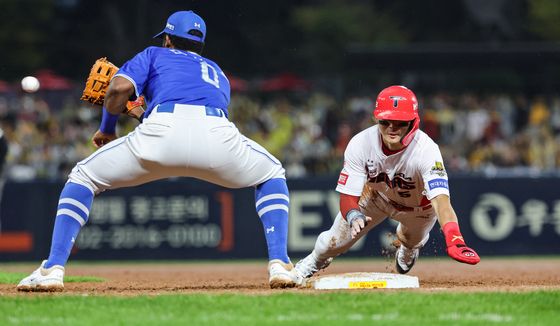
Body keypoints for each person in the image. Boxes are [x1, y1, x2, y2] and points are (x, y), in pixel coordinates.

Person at [17, 10, 299, 291]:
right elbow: (190, 109)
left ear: (167, 38)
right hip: (216, 136)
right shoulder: (216, 71)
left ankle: (52, 269)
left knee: (82, 177)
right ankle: (279, 264)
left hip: (160, 135)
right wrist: (141, 112)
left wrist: (108, 126)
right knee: (272, 172)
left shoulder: (154, 54)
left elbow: (118, 89)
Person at [294, 85, 480, 282]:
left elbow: (441, 201)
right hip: (377, 197)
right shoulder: (361, 143)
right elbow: (348, 195)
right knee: (331, 243)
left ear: (412, 122)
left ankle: (408, 248)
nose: (392, 127)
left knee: (410, 240)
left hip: (419, 209)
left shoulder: (427, 150)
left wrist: (454, 238)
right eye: (385, 121)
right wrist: (353, 213)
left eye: (400, 122)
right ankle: (311, 262)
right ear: (377, 119)